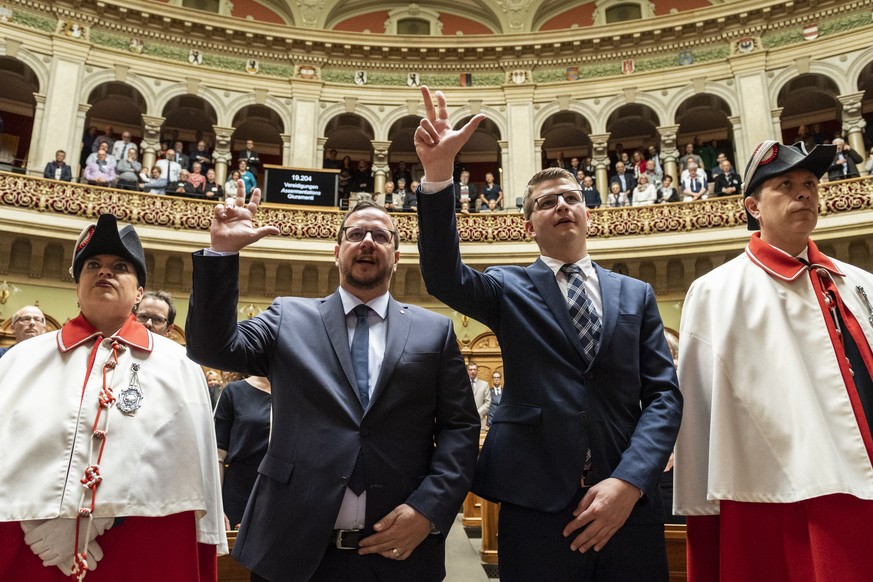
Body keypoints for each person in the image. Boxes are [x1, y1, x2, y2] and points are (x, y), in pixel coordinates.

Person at [414, 86, 682, 582]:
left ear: (587, 213)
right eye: (546, 201)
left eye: (572, 198)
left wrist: (629, 480)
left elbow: (663, 396)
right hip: (536, 500)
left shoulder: (636, 294)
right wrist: (438, 177)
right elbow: (443, 276)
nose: (561, 206)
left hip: (627, 499)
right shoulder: (507, 286)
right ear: (528, 224)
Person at [185, 188, 480, 582]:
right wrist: (222, 253)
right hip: (291, 544)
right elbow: (212, 348)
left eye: (381, 236)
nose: (368, 243)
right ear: (336, 250)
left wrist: (430, 509)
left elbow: (459, 427)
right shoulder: (287, 317)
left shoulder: (434, 331)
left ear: (397, 256)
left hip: (398, 548)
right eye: (356, 234)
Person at [676, 140, 873, 582]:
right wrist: (703, 511)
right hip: (784, 493)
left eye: (809, 184)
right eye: (785, 185)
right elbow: (698, 412)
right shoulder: (717, 292)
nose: (803, 193)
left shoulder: (860, 283)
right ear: (753, 206)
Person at [0, 214, 226, 580]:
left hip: (143, 541)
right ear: (77, 285)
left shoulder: (178, 364)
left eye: (120, 266)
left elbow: (187, 457)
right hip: (29, 541)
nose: (104, 272)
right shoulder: (21, 359)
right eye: (93, 265)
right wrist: (40, 523)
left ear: (139, 293)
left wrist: (101, 516)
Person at [214, 376, 272, 530]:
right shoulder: (234, 392)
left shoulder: (296, 392)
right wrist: (217, 507)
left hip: (280, 494)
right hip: (239, 492)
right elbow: (217, 456)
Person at [468, 362, 491, 429]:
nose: (473, 371)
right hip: (466, 419)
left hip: (480, 419)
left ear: (477, 371)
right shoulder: (463, 385)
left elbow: (488, 402)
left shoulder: (484, 384)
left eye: (475, 369)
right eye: (471, 369)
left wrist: (477, 413)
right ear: (467, 371)